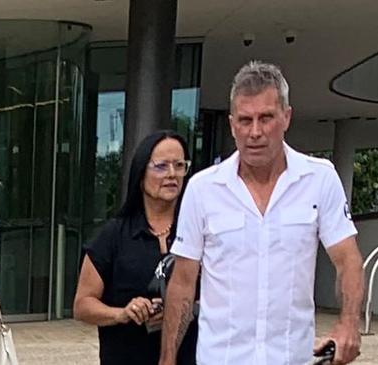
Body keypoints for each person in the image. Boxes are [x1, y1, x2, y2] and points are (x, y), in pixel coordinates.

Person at [160, 61, 364, 365]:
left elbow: (348, 259)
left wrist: (349, 322)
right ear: (231, 124)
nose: (254, 132)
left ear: (286, 117)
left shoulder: (319, 179)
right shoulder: (203, 189)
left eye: (266, 118)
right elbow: (183, 282)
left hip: (292, 358)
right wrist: (168, 358)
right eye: (244, 120)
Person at [74, 130, 198, 365]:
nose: (172, 174)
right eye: (161, 166)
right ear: (141, 174)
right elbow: (82, 305)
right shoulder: (114, 235)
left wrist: (182, 310)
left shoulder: (198, 232)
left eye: (179, 165)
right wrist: (121, 313)